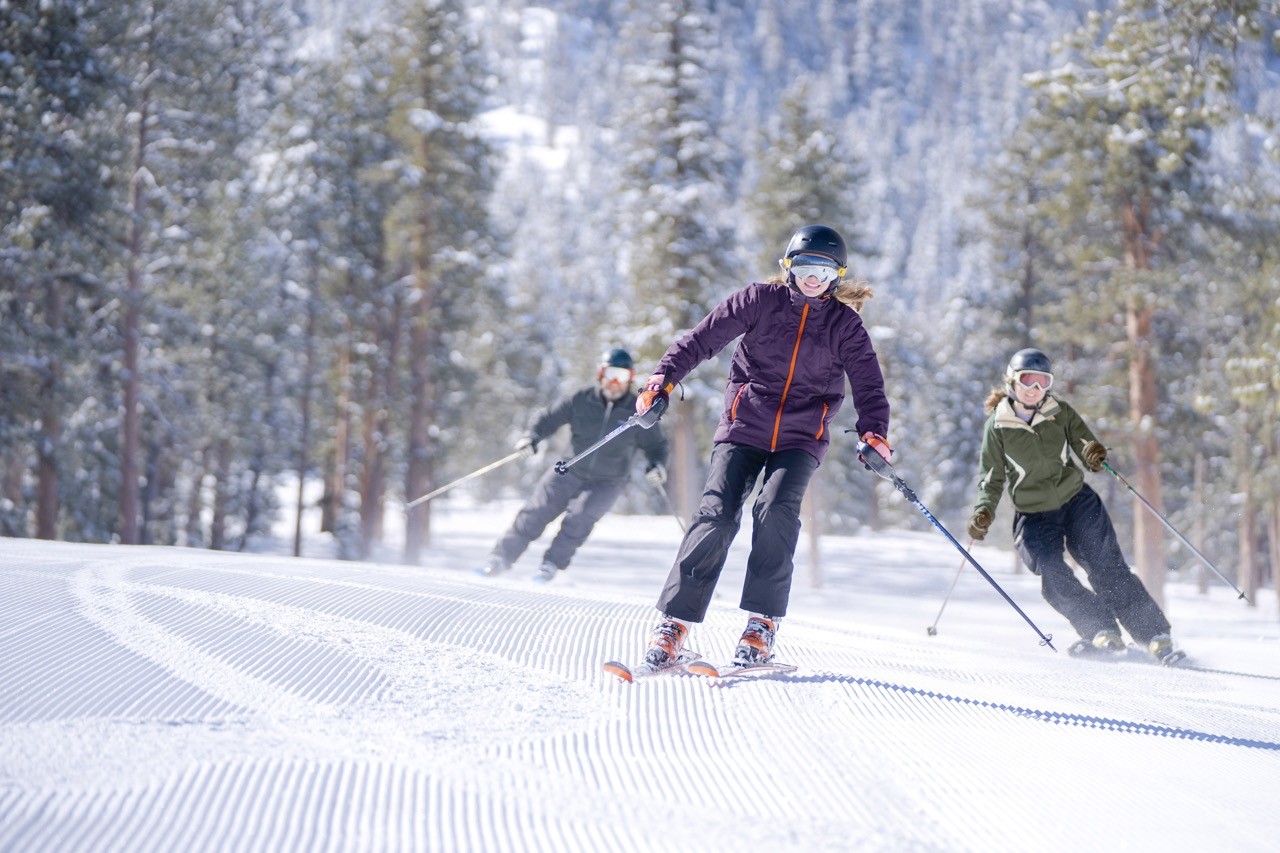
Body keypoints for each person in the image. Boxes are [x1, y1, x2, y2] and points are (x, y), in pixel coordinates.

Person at [632, 224, 891, 669]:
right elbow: (702, 339)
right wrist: (664, 377)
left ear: (837, 276)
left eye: (824, 270)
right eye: (806, 266)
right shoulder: (758, 301)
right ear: (788, 267)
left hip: (801, 437)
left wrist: (874, 431)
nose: (814, 278)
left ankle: (761, 626)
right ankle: (674, 624)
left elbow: (869, 384)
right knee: (716, 514)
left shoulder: (844, 326)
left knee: (775, 511)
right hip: (743, 426)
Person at [967, 348, 1178, 660]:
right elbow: (991, 477)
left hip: (1077, 501)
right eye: (1028, 381)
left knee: (1105, 563)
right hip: (1034, 512)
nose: (1034, 390)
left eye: (1042, 382)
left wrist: (1094, 453)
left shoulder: (1059, 412)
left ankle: (1153, 633)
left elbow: (1084, 442)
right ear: (1012, 382)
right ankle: (1099, 629)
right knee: (1052, 570)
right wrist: (984, 510)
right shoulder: (997, 427)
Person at [478, 348, 669, 582]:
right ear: (600, 374)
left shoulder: (638, 412)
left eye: (622, 375)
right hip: (569, 468)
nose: (615, 382)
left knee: (580, 518)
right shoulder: (581, 399)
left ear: (630, 378)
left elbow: (656, 446)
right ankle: (500, 558)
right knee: (535, 513)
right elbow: (548, 418)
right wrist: (533, 437)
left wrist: (656, 465)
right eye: (610, 374)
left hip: (608, 481)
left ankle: (550, 566)